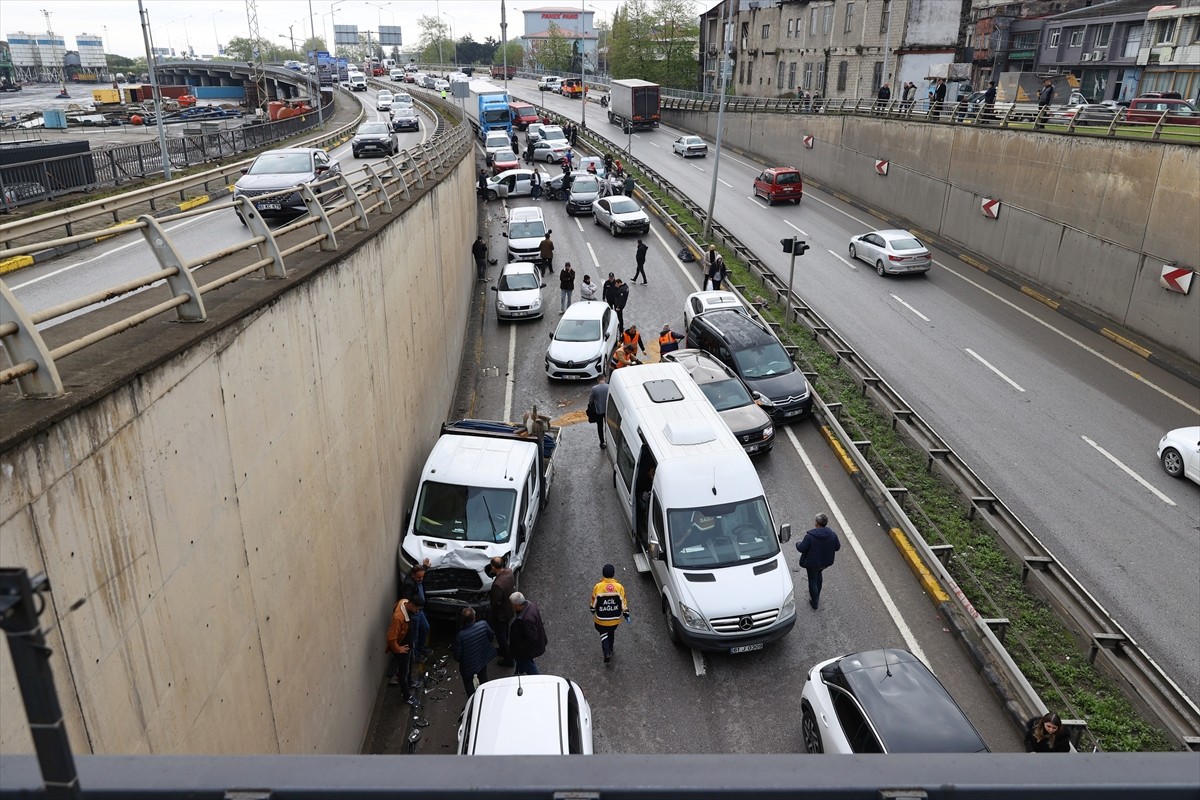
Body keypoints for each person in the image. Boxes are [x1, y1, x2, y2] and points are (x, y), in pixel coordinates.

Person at [795, 513, 841, 610]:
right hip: (825, 562)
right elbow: (837, 547)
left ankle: (815, 601)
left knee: (812, 580)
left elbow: (801, 548)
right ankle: (817, 595)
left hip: (812, 563)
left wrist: (797, 543)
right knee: (819, 575)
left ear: (816, 523)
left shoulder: (810, 536)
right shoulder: (832, 535)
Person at [385, 595, 422, 705]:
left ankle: (410, 682)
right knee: (403, 673)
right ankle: (407, 696)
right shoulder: (398, 618)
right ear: (410, 605)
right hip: (403, 649)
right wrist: (398, 649)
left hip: (408, 646)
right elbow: (391, 638)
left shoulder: (403, 601)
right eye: (417, 609)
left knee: (409, 665)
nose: (417, 611)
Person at [451, 608, 497, 696]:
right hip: (482, 658)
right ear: (474, 617)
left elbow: (457, 655)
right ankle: (486, 696)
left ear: (462, 619)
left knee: (468, 683)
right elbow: (491, 637)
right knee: (483, 677)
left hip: (468, 665)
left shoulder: (460, 636)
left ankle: (473, 701)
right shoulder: (483, 624)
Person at [590, 564, 629, 663]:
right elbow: (623, 602)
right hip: (615, 620)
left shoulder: (598, 587)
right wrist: (626, 614)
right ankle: (611, 648)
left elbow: (593, 604)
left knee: (603, 633)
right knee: (611, 632)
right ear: (613, 574)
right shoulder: (619, 587)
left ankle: (607, 652)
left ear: (603, 574)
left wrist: (592, 610)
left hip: (601, 620)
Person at [508, 591, 547, 675]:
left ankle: (537, 681)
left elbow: (532, 638)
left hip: (525, 651)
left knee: (529, 666)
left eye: (512, 604)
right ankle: (518, 673)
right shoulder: (531, 605)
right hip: (524, 649)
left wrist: (518, 648)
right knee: (521, 661)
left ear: (517, 605)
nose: (511, 606)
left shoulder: (526, 619)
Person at [487, 556, 516, 666]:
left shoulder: (497, 585)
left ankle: (508, 659)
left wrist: (494, 616)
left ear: (494, 567)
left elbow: (495, 604)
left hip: (501, 615)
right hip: (510, 610)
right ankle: (505, 649)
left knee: (501, 636)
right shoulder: (509, 573)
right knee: (506, 632)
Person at [400, 564, 433, 658]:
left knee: (425, 628)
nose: (421, 579)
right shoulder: (408, 585)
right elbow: (408, 600)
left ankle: (420, 648)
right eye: (419, 577)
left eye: (422, 576)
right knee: (414, 636)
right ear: (413, 575)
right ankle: (415, 655)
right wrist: (419, 603)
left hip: (420, 610)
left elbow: (417, 569)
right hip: (415, 613)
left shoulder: (415, 575)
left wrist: (425, 567)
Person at [587, 374, 609, 448]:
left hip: (598, 411)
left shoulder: (594, 388)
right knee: (607, 425)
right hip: (607, 410)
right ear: (604, 379)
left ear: (597, 380)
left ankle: (602, 442)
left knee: (600, 427)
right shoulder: (608, 386)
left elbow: (591, 400)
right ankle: (608, 440)